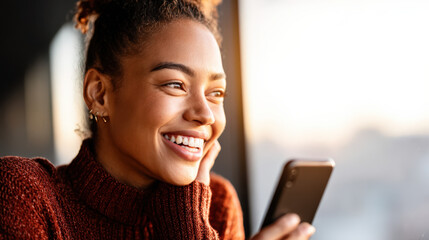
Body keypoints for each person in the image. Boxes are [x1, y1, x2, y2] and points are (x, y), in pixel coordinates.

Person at [0, 0, 316, 239]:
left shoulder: (216, 205)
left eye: (216, 93)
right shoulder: (25, 195)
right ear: (99, 94)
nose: (205, 113)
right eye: (175, 84)